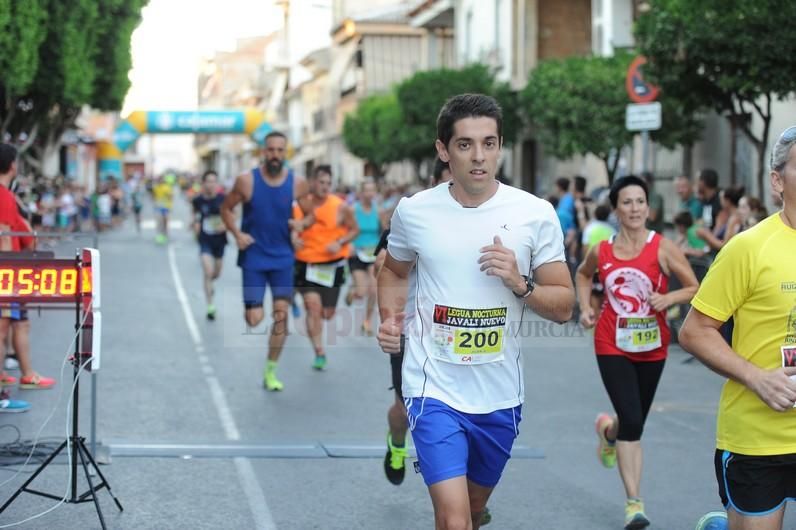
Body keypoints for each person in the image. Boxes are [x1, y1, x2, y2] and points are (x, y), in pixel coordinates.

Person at [377, 94, 574, 529]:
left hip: (499, 395)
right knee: (453, 519)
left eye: (489, 143)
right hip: (433, 388)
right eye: (465, 145)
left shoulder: (534, 214)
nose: (479, 156)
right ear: (444, 150)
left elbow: (563, 305)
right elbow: (392, 271)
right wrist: (391, 320)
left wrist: (519, 282)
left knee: (472, 508)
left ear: (500, 145)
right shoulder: (415, 211)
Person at [679, 125, 796, 530]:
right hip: (758, 437)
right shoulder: (749, 247)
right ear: (778, 181)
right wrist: (757, 378)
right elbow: (694, 331)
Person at [575, 175, 698, 530]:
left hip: (653, 346)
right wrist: (585, 307)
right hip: (611, 342)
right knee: (633, 420)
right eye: (627, 202)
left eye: (640, 202)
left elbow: (693, 286)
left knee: (633, 420)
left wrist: (669, 297)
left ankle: (608, 432)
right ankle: (634, 504)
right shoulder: (602, 250)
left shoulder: (661, 247)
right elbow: (583, 276)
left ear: (648, 207)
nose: (634, 209)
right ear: (616, 208)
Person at [376, 157, 452, 488]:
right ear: (435, 183)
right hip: (411, 331)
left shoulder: (482, 224)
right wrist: (388, 321)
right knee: (407, 409)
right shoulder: (411, 221)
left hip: (457, 332)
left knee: (463, 410)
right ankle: (396, 441)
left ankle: (468, 488)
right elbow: (385, 265)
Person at [221, 131, 310, 391]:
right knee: (254, 319)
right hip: (254, 257)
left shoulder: (298, 183)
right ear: (263, 152)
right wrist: (237, 234)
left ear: (286, 153)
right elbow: (226, 209)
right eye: (271, 150)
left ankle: (271, 370)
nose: (275, 155)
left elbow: (310, 215)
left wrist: (300, 225)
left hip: (283, 257)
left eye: (280, 150)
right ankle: (252, 308)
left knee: (281, 316)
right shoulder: (246, 181)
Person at [0, 144, 56, 413]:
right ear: (13, 165)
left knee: (19, 324)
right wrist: (11, 276)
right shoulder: (3, 197)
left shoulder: (9, 196)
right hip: (8, 273)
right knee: (2, 330)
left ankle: (25, 373)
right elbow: (4, 238)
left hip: (14, 270)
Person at [291, 165, 359, 371]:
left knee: (327, 313)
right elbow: (293, 228)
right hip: (305, 262)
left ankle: (319, 316)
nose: (324, 187)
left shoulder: (340, 206)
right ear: (312, 182)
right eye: (321, 182)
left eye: (328, 183)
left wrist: (340, 242)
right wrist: (293, 239)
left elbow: (354, 230)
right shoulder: (300, 205)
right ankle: (319, 352)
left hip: (331, 266)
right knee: (313, 307)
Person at [344, 178, 380, 336]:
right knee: (362, 291)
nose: (369, 193)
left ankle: (367, 322)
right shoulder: (352, 210)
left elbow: (383, 231)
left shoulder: (378, 210)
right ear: (360, 193)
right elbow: (345, 230)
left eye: (372, 190)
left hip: (372, 253)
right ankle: (353, 292)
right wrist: (348, 244)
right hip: (356, 253)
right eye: (366, 190)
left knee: (374, 290)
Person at [192, 170, 227, 320]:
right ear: (204, 183)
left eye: (214, 181)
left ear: (217, 183)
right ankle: (210, 306)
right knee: (207, 271)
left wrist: (225, 225)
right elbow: (194, 214)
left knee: (216, 274)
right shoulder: (198, 200)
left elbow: (234, 212)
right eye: (208, 181)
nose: (211, 184)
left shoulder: (223, 199)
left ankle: (210, 285)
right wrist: (194, 224)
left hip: (220, 241)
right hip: (205, 240)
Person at [153, 174, 175, 244]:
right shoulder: (155, 187)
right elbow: (154, 196)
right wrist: (155, 203)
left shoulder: (167, 187)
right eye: (159, 180)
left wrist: (169, 200)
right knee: (159, 221)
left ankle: (165, 233)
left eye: (161, 179)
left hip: (166, 207)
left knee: (165, 220)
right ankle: (159, 235)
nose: (160, 181)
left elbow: (171, 196)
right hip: (159, 207)